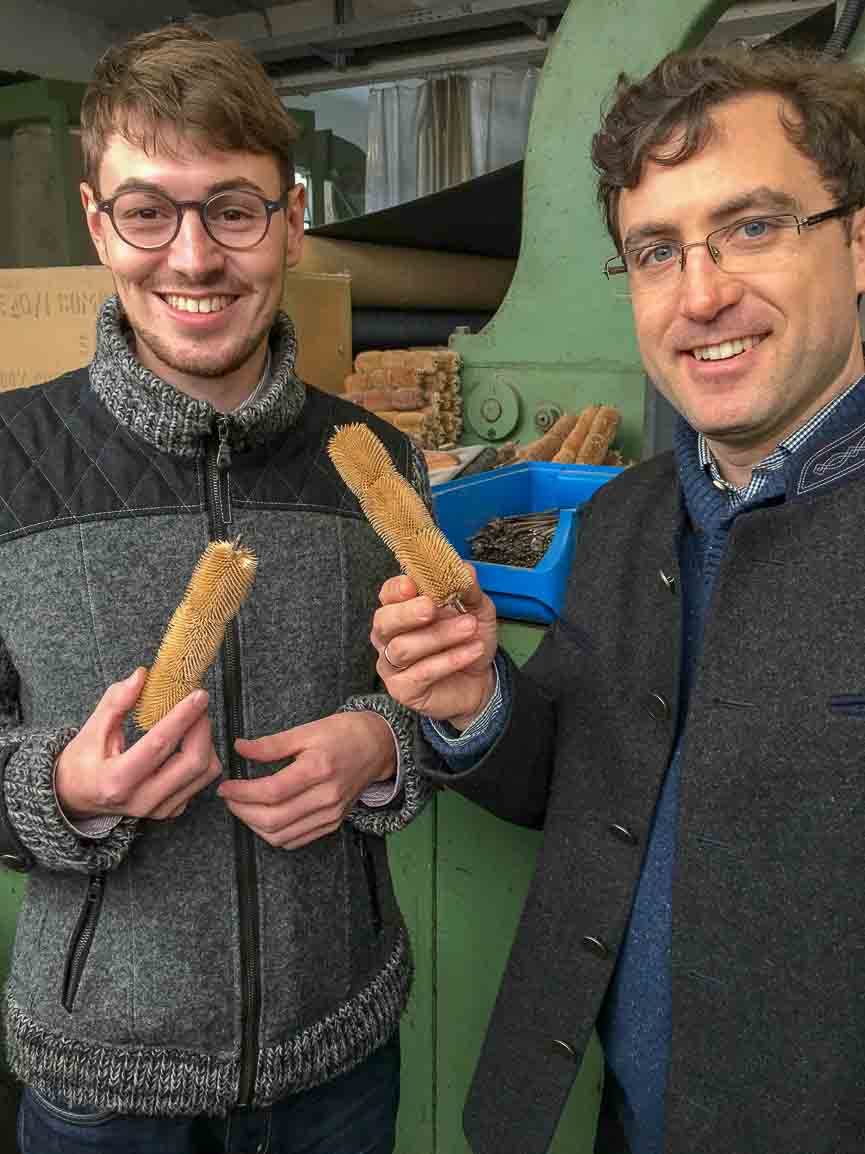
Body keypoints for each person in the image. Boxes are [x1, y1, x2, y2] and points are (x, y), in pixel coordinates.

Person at [371, 44, 865, 1154]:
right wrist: (471, 703)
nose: (701, 294)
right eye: (655, 250)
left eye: (750, 226)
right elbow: (578, 779)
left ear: (858, 239)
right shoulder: (626, 516)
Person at [0, 23, 432, 1154]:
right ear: (99, 223)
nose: (193, 259)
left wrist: (381, 745)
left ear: (290, 222)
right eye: (149, 212)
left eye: (232, 210)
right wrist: (67, 788)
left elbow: (440, 711)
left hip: (338, 1058)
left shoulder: (379, 463)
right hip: (102, 1086)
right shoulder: (7, 460)